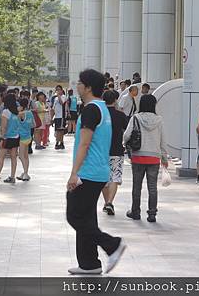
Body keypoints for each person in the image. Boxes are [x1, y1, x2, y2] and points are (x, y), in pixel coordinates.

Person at [66, 69, 125, 275]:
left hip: (88, 173)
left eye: (80, 82)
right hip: (98, 171)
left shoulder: (91, 110)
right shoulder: (102, 108)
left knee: (74, 216)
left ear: (89, 87)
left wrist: (74, 173)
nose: (77, 85)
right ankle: (89, 264)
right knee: (87, 218)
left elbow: (84, 143)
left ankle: (112, 245)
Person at [123, 94, 169, 222]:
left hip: (138, 156)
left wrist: (124, 143)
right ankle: (152, 214)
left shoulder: (135, 118)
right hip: (154, 158)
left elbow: (127, 135)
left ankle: (135, 211)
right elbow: (163, 140)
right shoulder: (159, 120)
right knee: (152, 187)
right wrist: (164, 157)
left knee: (137, 186)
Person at [101, 90, 127, 216]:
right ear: (115, 100)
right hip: (117, 150)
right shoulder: (121, 115)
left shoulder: (99, 115)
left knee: (104, 179)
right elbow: (127, 131)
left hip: (101, 152)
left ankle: (107, 202)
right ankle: (110, 202)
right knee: (114, 178)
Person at [0, 93, 20, 184]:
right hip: (16, 137)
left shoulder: (6, 112)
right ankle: (12, 177)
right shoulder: (16, 112)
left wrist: (2, 138)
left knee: (0, 157)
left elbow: (3, 127)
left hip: (7, 138)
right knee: (13, 157)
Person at [17, 98, 34, 181]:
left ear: (21, 106)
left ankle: (26, 173)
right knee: (26, 156)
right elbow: (33, 125)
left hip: (22, 137)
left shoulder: (20, 114)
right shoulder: (30, 113)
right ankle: (25, 172)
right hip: (29, 136)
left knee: (21, 156)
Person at [51, 85, 68, 150]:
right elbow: (53, 108)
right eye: (57, 89)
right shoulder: (55, 99)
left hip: (61, 116)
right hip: (57, 116)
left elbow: (61, 103)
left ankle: (59, 142)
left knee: (60, 130)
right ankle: (60, 142)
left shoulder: (63, 97)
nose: (58, 91)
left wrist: (58, 96)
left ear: (61, 90)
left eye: (59, 89)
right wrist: (52, 118)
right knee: (57, 130)